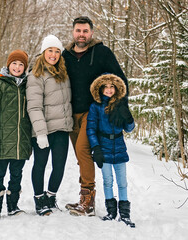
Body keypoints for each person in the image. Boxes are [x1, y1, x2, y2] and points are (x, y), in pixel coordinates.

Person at [62, 16, 129, 216]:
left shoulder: (101, 53)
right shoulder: (65, 55)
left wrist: (120, 108)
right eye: (78, 31)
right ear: (73, 32)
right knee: (80, 157)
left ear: (91, 33)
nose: (81, 35)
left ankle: (88, 202)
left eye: (85, 31)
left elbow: (120, 80)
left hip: (92, 113)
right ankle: (84, 197)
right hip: (70, 114)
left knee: (83, 151)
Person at [0, 49, 32, 218]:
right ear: (8, 65)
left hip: (21, 141)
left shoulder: (29, 87)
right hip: (1, 142)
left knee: (17, 175)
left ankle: (13, 206)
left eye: (21, 64)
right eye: (14, 63)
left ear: (25, 67)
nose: (17, 67)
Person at [26, 35, 73, 216]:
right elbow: (34, 106)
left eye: (57, 51)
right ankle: (39, 200)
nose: (53, 55)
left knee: (59, 166)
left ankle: (51, 196)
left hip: (61, 129)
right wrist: (40, 133)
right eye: (50, 51)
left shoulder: (64, 73)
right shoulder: (35, 76)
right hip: (43, 130)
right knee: (40, 164)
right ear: (43, 52)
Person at [86, 73, 135, 228]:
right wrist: (96, 148)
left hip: (119, 146)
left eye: (111, 87)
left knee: (122, 182)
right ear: (100, 89)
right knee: (108, 181)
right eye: (105, 87)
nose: (108, 90)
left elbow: (130, 129)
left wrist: (129, 118)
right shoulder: (96, 106)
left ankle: (125, 215)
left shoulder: (121, 104)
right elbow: (91, 129)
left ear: (116, 88)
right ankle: (111, 212)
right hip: (104, 146)